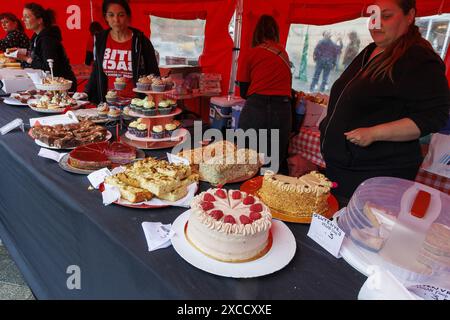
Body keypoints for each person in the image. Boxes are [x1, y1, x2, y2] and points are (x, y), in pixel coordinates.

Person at [319, 0, 450, 205]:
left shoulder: (419, 58)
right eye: (373, 16)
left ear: (410, 16)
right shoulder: (370, 50)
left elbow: (434, 115)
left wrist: (374, 133)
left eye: (386, 16)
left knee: (359, 231)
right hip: (342, 167)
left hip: (374, 173)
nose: (376, 24)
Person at [237, 15, 292, 174]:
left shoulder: (250, 54)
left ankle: (245, 193)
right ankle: (271, 194)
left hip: (257, 107)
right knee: (274, 159)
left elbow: (243, 92)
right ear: (276, 32)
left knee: (247, 155)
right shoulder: (283, 53)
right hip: (282, 109)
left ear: (256, 33)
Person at [85, 0, 160, 102]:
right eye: (111, 15)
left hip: (136, 107)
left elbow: (154, 74)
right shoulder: (101, 40)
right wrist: (85, 94)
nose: (116, 20)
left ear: (128, 16)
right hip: (108, 107)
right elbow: (96, 72)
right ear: (106, 17)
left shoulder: (141, 41)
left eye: (121, 15)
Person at [17, 3, 77, 91]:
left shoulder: (47, 40)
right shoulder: (37, 36)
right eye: (23, 17)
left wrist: (27, 59)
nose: (23, 19)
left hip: (61, 86)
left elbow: (48, 66)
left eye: (27, 17)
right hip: (51, 84)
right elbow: (37, 53)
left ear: (39, 20)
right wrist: (20, 51)